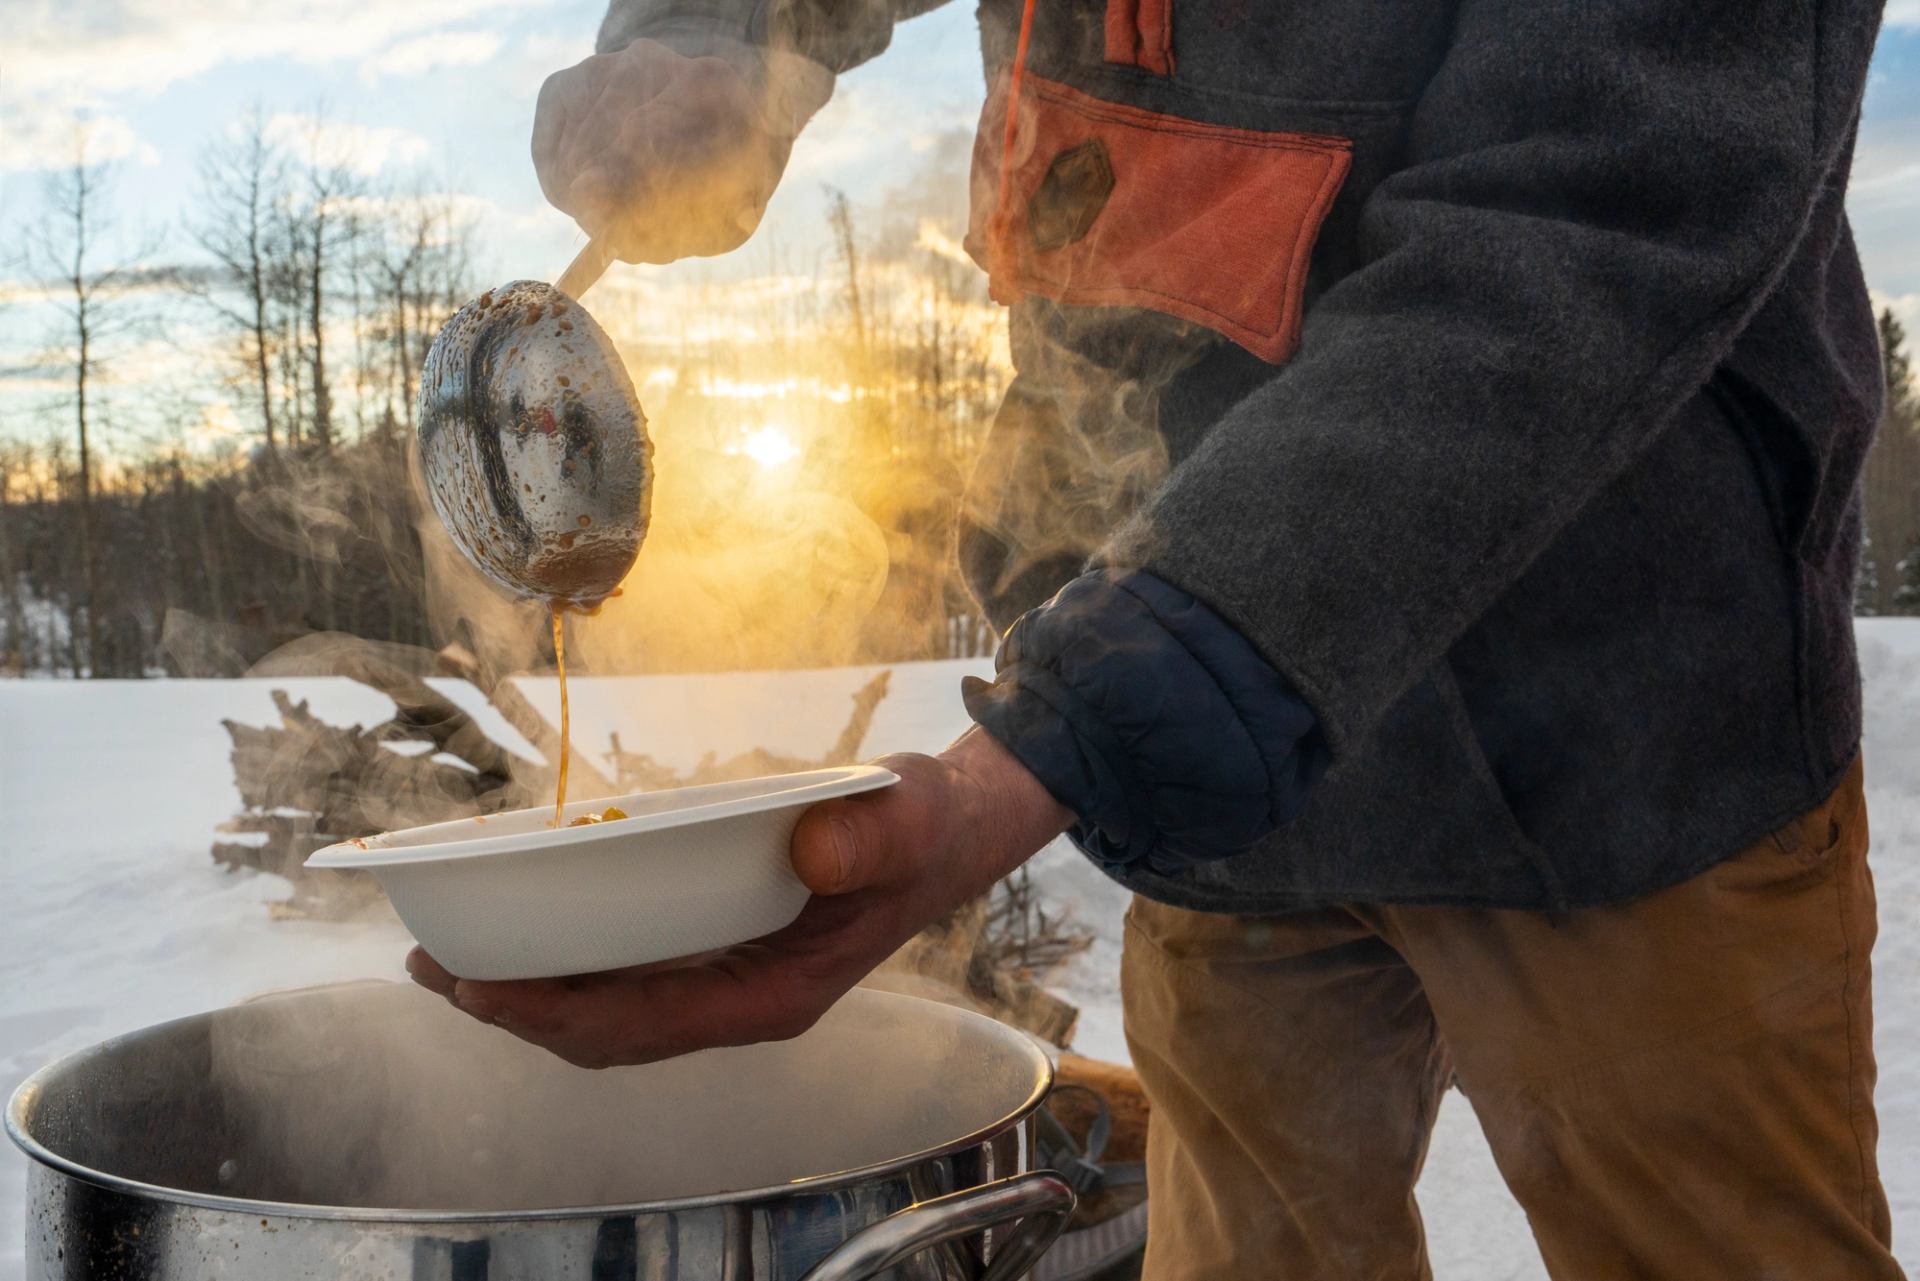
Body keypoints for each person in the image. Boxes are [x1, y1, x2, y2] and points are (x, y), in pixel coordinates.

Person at [407, 0, 1906, 1274]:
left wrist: (1084, 723)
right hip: (1209, 765)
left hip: (1615, 723)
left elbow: (1605, 201)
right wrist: (717, 35)